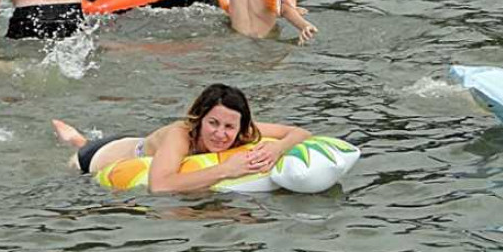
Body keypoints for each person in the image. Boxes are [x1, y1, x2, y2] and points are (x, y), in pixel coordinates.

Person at [51, 83, 311, 191]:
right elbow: (160, 186)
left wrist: (278, 149)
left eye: (229, 127)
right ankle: (76, 141)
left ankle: (77, 136)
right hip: (97, 158)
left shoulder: (242, 130)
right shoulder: (181, 134)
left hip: (140, 141)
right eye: (213, 123)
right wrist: (226, 170)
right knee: (78, 154)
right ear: (199, 119)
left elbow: (301, 132)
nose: (221, 134)